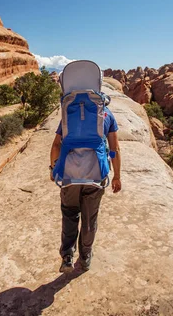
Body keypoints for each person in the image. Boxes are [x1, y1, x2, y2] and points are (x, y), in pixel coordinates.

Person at [49, 107, 122, 272]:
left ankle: (67, 256)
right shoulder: (107, 114)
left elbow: (56, 145)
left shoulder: (70, 112)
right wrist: (117, 175)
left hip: (70, 175)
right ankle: (85, 257)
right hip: (95, 174)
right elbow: (114, 149)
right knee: (90, 219)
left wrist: (53, 168)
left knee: (69, 214)